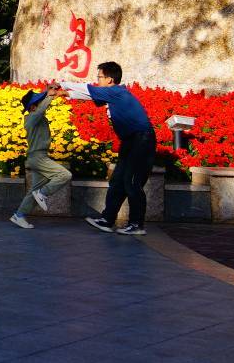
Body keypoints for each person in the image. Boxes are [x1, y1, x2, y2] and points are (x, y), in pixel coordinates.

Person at [67, 61, 153, 235]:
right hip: (130, 141)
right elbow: (90, 96)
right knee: (118, 180)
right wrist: (63, 93)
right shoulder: (112, 94)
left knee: (132, 182)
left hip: (141, 139)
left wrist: (62, 85)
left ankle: (137, 225)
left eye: (99, 77)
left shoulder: (116, 91)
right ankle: (107, 220)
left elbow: (87, 89)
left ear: (110, 79)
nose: (97, 80)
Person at [13, 88, 71, 230]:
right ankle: (42, 193)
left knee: (35, 189)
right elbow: (39, 111)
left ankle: (19, 216)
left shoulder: (38, 117)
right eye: (38, 103)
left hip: (38, 157)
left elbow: (41, 110)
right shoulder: (32, 118)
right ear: (32, 107)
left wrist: (48, 91)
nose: (41, 104)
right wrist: (49, 97)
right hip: (38, 158)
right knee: (65, 175)